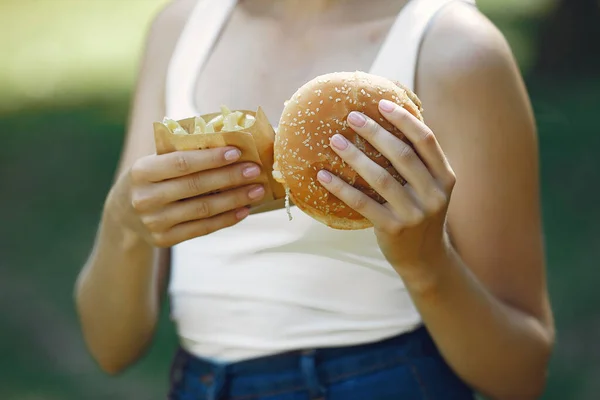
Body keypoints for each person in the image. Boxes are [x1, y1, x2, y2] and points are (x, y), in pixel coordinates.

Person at [74, 0, 555, 399]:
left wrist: (426, 263)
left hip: (389, 379)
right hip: (200, 384)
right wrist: (125, 226)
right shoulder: (182, 29)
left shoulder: (455, 48)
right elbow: (110, 349)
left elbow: (520, 375)